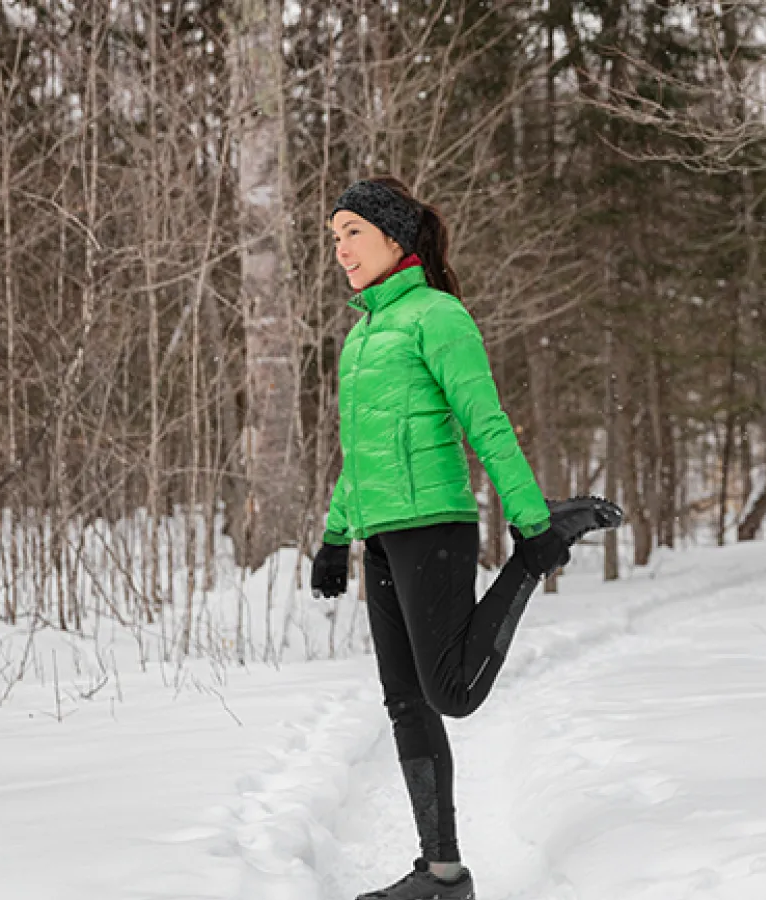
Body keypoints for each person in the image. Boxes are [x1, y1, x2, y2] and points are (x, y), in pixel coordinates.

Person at [310, 177, 621, 900]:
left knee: (450, 691)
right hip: (382, 535)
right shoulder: (360, 337)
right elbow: (360, 454)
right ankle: (442, 873)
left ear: (395, 236)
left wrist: (531, 520)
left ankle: (545, 544)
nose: (340, 249)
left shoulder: (437, 317)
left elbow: (486, 421)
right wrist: (333, 537)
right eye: (333, 237)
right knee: (403, 701)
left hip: (436, 524)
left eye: (352, 231)